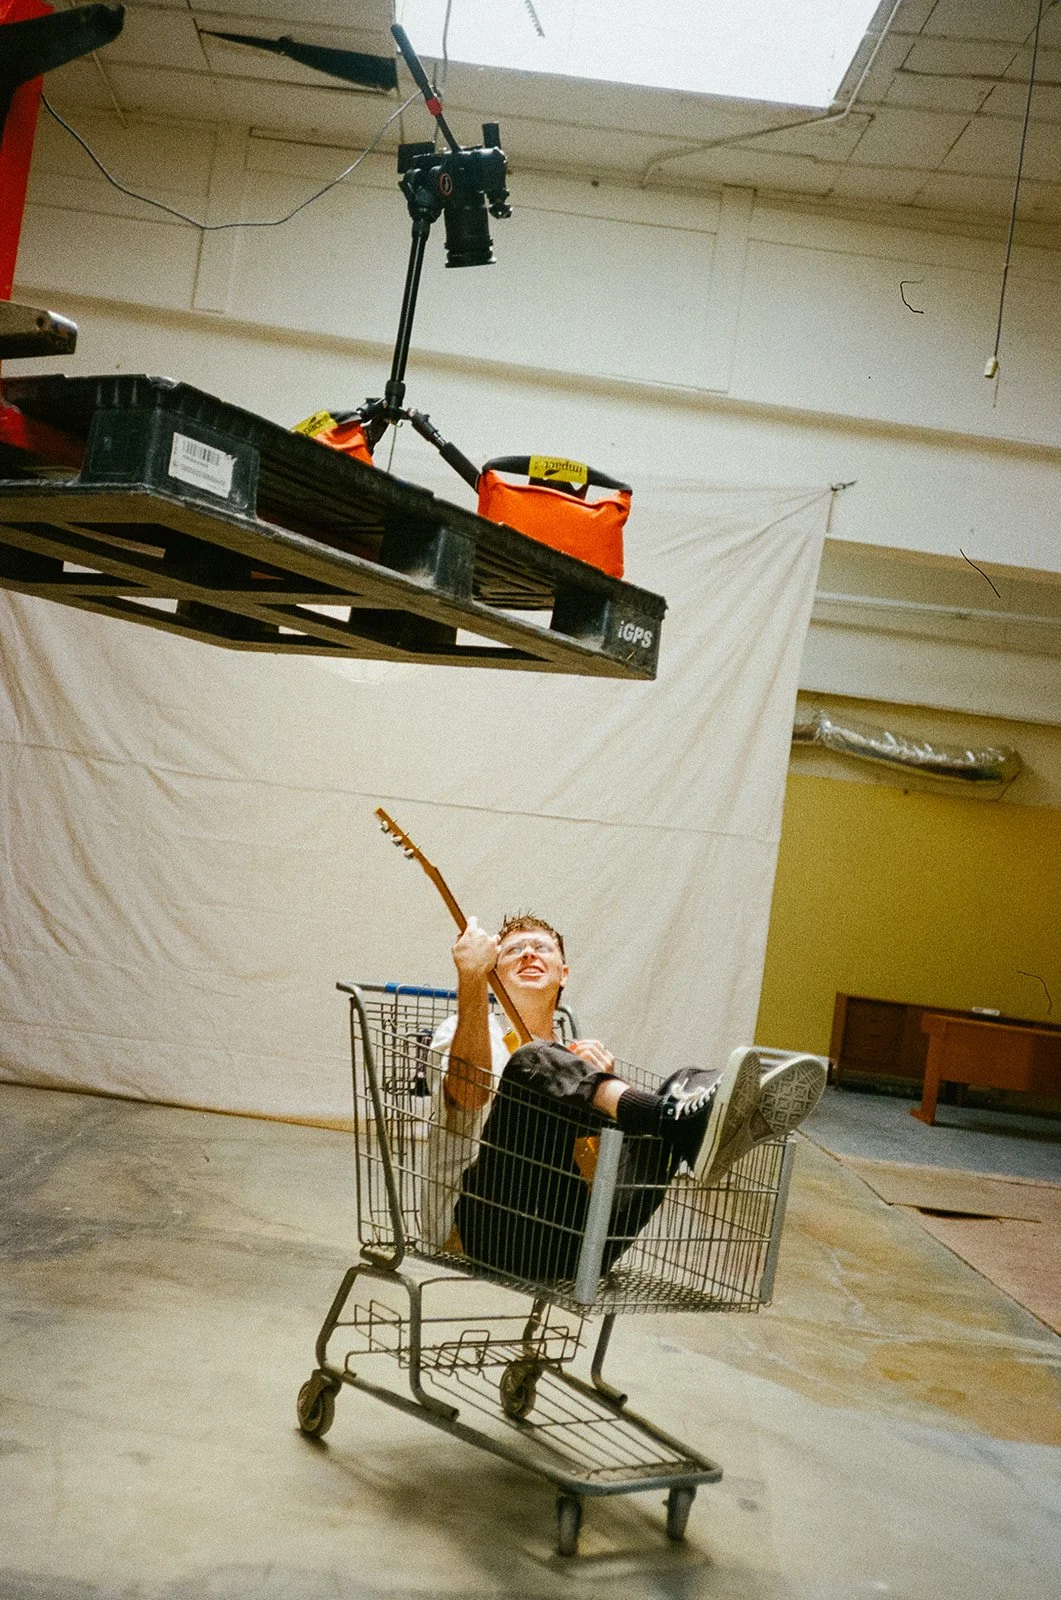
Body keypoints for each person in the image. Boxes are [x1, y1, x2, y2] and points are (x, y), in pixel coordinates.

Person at [420, 913, 825, 1285]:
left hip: (575, 1247)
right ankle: (685, 1124)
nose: (528, 953)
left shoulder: (575, 1061)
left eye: (541, 947)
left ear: (564, 974)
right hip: (479, 1232)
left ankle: (703, 1128)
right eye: (511, 950)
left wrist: (608, 1094)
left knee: (687, 1080)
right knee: (536, 1058)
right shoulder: (466, 1029)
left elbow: (597, 1177)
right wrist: (470, 978)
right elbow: (469, 1096)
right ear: (493, 972)